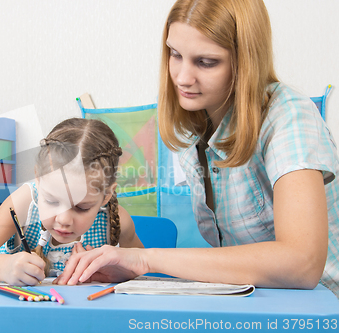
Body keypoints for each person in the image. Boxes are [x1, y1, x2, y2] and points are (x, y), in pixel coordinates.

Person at [55, 0, 339, 298]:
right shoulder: (196, 126)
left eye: (206, 62)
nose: (182, 77)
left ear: (246, 62)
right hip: (260, 306)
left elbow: (302, 264)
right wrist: (136, 268)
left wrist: (145, 259)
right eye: (175, 55)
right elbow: (236, 265)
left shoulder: (289, 116)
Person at [0, 118, 144, 285]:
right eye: (51, 200)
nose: (64, 219)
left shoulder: (114, 219)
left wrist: (116, 271)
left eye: (82, 207)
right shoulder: (23, 204)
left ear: (106, 195)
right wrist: (4, 268)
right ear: (39, 180)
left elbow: (141, 265)